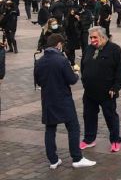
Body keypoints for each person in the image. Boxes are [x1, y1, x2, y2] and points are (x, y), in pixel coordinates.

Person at [34, 34, 96, 169]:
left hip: (48, 100)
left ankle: (53, 160)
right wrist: (76, 72)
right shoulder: (61, 60)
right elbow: (72, 80)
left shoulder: (40, 61)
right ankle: (77, 158)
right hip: (63, 99)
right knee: (73, 127)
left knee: (50, 129)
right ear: (59, 44)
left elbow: (38, 81)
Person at [80, 26, 121, 153]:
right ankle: (89, 139)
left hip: (107, 92)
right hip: (90, 92)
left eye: (95, 37)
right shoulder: (89, 48)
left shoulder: (114, 49)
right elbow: (83, 65)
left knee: (110, 117)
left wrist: (116, 87)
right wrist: (84, 80)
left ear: (102, 37)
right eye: (91, 37)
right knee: (88, 116)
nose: (92, 40)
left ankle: (115, 140)